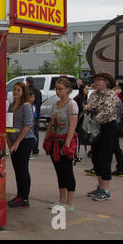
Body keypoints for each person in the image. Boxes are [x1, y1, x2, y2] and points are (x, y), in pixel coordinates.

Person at [43, 78, 78, 212]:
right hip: (54, 141)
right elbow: (52, 123)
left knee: (67, 171)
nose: (57, 91)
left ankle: (70, 202)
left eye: (60, 88)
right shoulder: (55, 104)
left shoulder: (71, 104)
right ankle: (61, 199)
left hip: (64, 141)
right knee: (59, 171)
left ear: (68, 89)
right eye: (56, 88)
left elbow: (72, 125)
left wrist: (67, 144)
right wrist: (46, 138)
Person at [84, 71, 118, 201]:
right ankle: (100, 186)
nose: (96, 82)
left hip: (107, 127)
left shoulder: (111, 95)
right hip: (95, 128)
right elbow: (90, 107)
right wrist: (87, 107)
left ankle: (106, 190)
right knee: (96, 157)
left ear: (107, 82)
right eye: (96, 80)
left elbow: (107, 113)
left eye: (100, 80)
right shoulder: (94, 94)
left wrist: (93, 118)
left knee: (105, 157)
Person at [6, 81, 36, 207]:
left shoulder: (26, 106)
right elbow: (7, 124)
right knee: (17, 169)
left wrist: (16, 143)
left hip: (24, 141)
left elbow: (28, 125)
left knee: (23, 169)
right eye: (14, 89)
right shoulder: (12, 105)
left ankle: (24, 197)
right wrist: (9, 142)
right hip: (13, 141)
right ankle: (19, 195)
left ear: (23, 92)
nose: (15, 92)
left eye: (18, 90)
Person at [26, 77, 42, 156]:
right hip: (37, 115)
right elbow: (40, 103)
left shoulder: (26, 91)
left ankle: (30, 149)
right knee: (36, 133)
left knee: (29, 133)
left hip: (30, 117)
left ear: (27, 82)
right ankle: (35, 149)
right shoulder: (38, 91)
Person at [112, 85, 123, 177]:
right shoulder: (118, 100)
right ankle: (120, 168)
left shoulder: (114, 100)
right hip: (117, 124)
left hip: (113, 125)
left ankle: (120, 168)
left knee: (114, 147)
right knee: (116, 147)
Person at [28, 91, 37, 160]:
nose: (32, 99)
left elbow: (35, 116)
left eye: (33, 97)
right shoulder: (26, 105)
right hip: (27, 125)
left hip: (32, 125)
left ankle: (30, 154)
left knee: (32, 139)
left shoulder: (34, 106)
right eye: (30, 97)